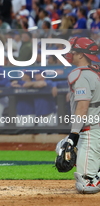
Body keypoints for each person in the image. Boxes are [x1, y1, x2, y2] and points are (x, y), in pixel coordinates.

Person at [60, 37, 100, 193]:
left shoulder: (80, 74)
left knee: (85, 185)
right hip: (97, 128)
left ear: (82, 55)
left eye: (74, 51)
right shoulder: (96, 71)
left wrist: (73, 135)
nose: (71, 54)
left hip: (91, 131)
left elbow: (82, 108)